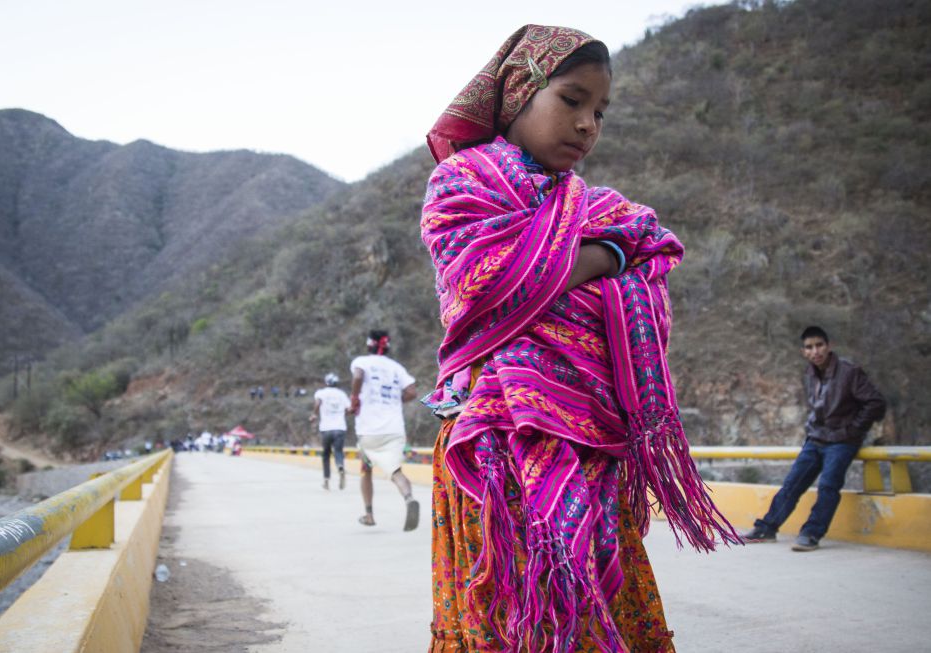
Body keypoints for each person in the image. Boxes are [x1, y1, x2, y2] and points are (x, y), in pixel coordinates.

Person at [421, 24, 740, 652]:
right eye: (571, 100)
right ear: (519, 93)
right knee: (512, 618)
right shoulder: (463, 186)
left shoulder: (596, 209)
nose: (588, 124)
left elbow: (652, 263)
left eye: (599, 111)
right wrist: (603, 259)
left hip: (592, 445)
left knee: (602, 613)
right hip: (496, 451)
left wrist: (592, 256)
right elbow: (487, 286)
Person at [743, 326, 886, 551]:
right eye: (809, 347)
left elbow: (876, 403)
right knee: (792, 484)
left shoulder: (849, 371)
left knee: (828, 486)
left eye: (819, 345)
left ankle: (811, 534)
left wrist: (853, 430)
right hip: (816, 438)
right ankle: (766, 528)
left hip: (841, 440)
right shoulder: (810, 373)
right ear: (804, 352)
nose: (815, 351)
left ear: (828, 347)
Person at [350, 329, 419, 530]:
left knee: (366, 470)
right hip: (395, 429)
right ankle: (408, 498)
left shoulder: (361, 362)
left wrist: (355, 401)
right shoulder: (396, 367)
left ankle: (369, 514)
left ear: (368, 345)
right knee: (395, 471)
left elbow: (357, 376)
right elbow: (412, 391)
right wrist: (395, 400)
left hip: (369, 430)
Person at [310, 372, 350, 490]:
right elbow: (348, 409)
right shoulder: (342, 394)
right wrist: (342, 414)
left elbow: (318, 403)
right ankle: (340, 466)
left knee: (326, 454)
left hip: (326, 428)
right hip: (340, 427)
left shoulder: (321, 393)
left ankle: (326, 480)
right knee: (338, 451)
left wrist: (314, 415)